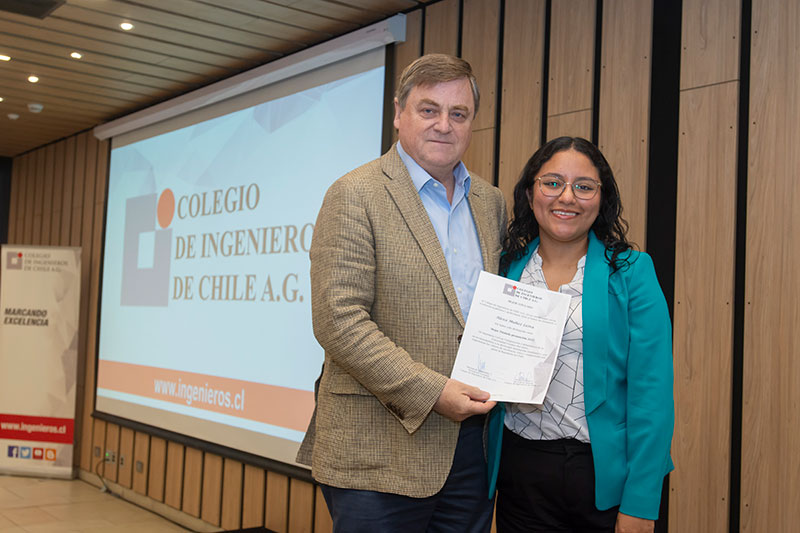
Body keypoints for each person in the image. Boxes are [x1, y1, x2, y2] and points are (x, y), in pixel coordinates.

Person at [296, 53, 508, 532]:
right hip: (377, 453)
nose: (444, 125)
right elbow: (338, 320)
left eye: (459, 113)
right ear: (398, 113)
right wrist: (433, 392)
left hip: (471, 454)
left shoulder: (490, 202)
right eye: (428, 109)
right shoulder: (355, 193)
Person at [486, 137, 674, 533]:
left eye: (584, 186)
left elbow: (652, 397)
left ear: (602, 199)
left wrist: (641, 503)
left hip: (604, 477)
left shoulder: (632, 273)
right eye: (552, 183)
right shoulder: (505, 270)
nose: (567, 197)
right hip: (520, 474)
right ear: (530, 192)